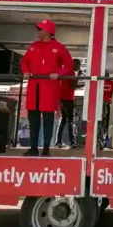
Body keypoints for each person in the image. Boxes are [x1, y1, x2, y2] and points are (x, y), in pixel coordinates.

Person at [20, 19, 73, 157]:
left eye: (40, 29)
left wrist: (59, 74)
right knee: (33, 117)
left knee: (48, 118)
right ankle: (33, 148)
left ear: (48, 31)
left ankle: (46, 148)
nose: (38, 31)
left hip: (49, 86)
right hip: (34, 85)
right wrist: (26, 71)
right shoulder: (33, 46)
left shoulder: (59, 47)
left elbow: (68, 64)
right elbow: (25, 61)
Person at [57, 58, 82, 149]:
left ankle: (59, 141)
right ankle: (72, 142)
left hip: (62, 98)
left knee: (64, 120)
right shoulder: (71, 73)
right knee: (71, 120)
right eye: (78, 65)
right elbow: (73, 85)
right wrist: (84, 83)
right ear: (74, 64)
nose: (79, 67)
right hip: (67, 99)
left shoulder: (66, 72)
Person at [99, 72, 113, 149]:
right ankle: (102, 140)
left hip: (100, 103)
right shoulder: (111, 82)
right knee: (104, 122)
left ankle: (101, 139)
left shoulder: (100, 81)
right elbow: (111, 93)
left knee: (101, 122)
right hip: (105, 103)